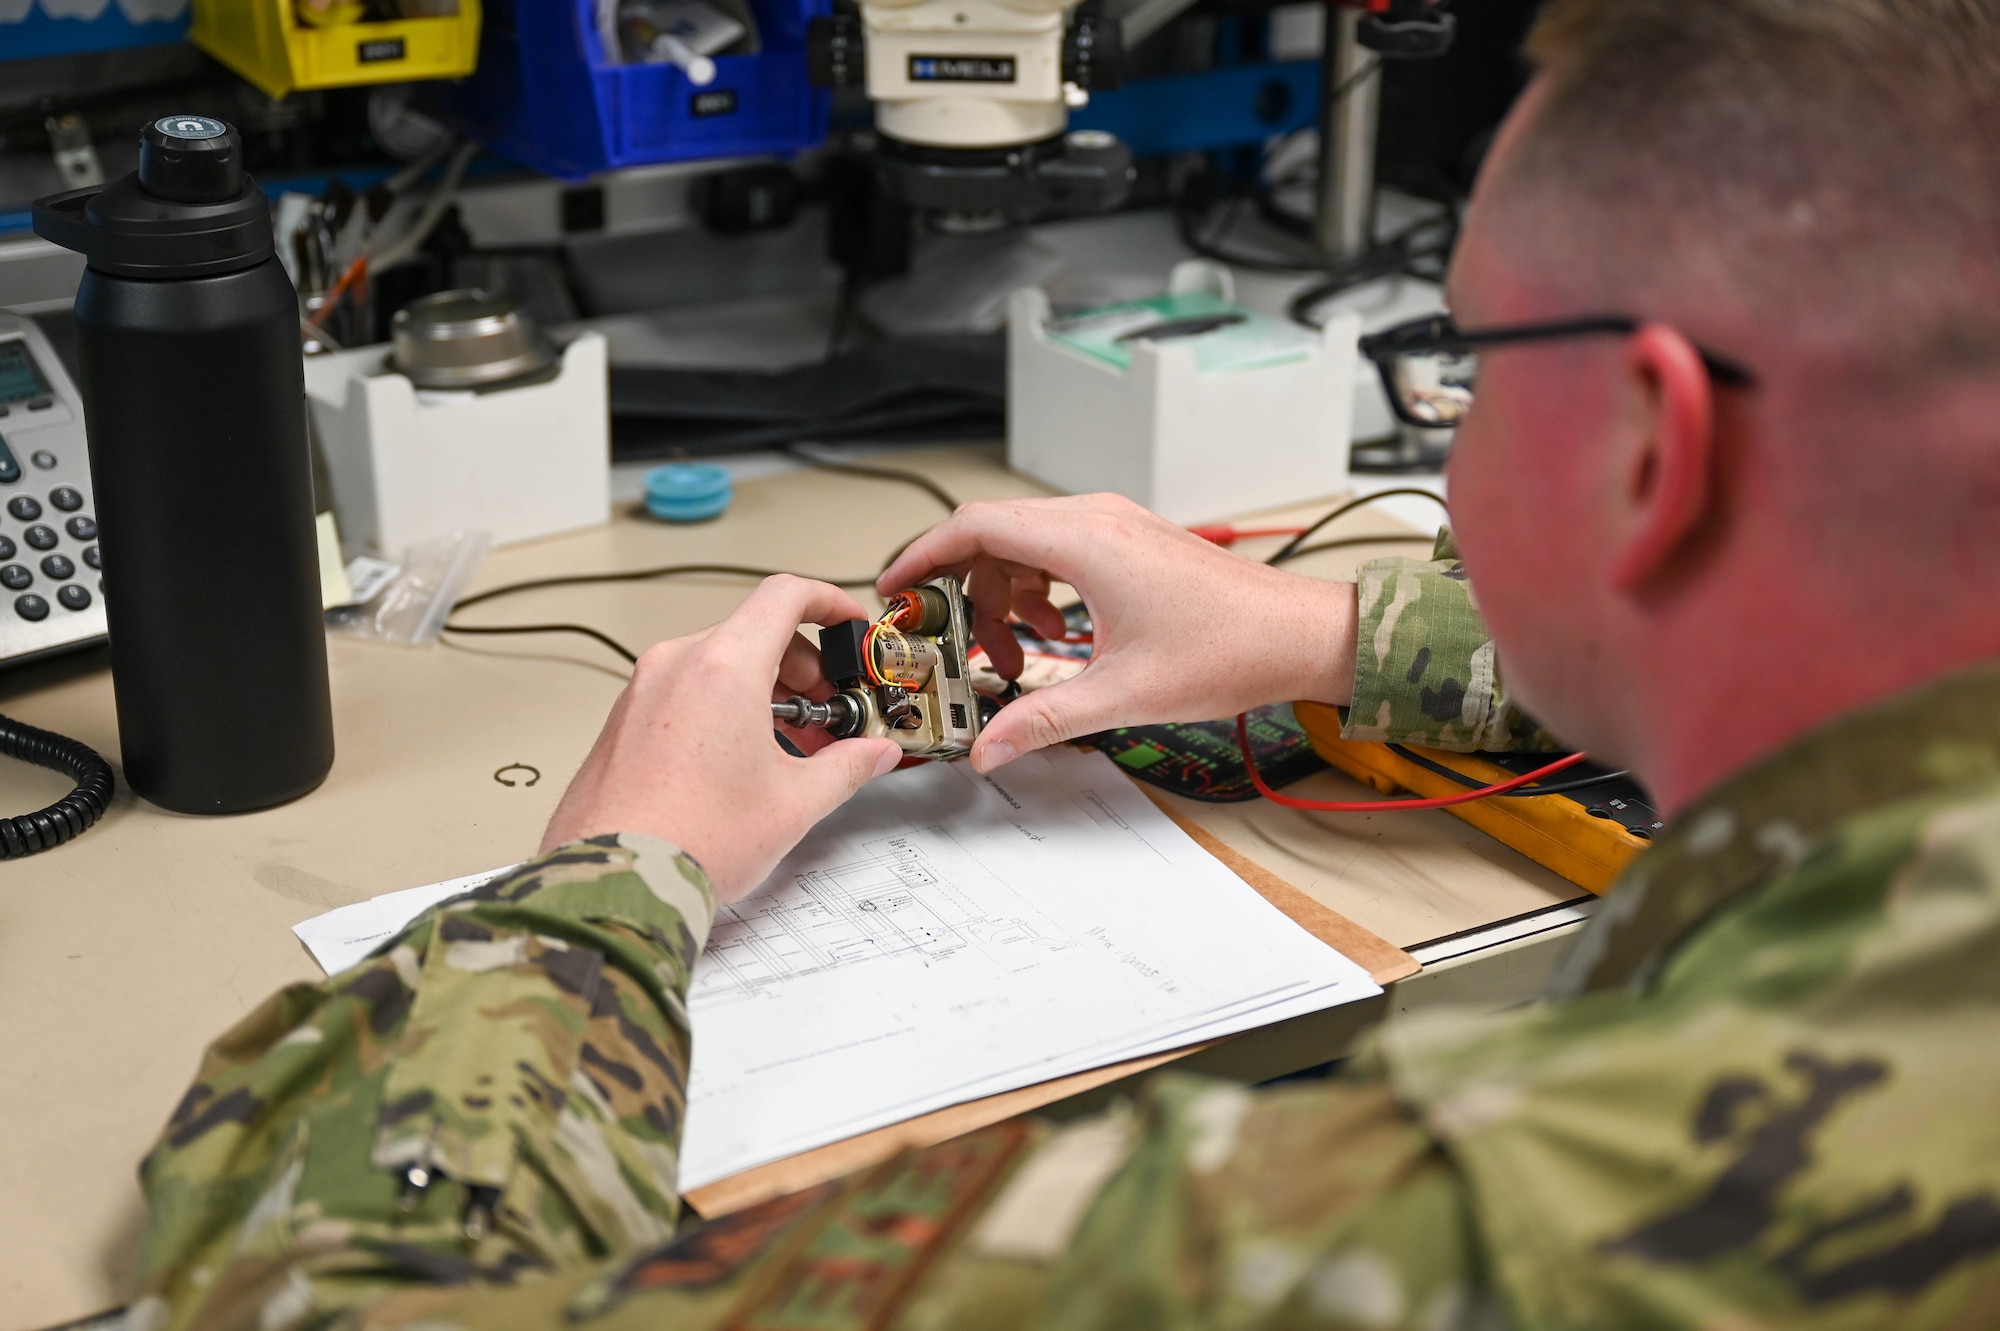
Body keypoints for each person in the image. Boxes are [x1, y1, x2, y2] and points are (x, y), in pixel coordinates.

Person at [127, 1, 2000, 1327]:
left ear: (1651, 454)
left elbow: (348, 1300)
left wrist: (610, 883)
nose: (1451, 419)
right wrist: (1325, 631)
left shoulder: (1527, 1231)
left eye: (1478, 359)